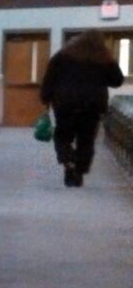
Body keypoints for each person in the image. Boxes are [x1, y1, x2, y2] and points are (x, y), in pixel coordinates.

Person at [40, 30, 127, 187]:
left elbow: (49, 78)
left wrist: (45, 98)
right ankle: (78, 172)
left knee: (62, 136)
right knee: (86, 140)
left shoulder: (62, 55)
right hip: (92, 105)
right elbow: (117, 80)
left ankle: (68, 160)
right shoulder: (103, 57)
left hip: (64, 103)